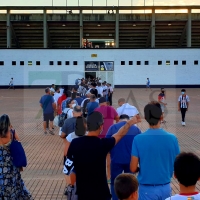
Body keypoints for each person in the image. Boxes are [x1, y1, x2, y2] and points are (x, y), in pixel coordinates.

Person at [63, 111, 139, 200]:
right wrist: (130, 123)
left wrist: (71, 185)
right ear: (101, 127)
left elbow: (69, 169)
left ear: (86, 125)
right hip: (101, 194)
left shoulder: (75, 143)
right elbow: (119, 135)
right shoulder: (103, 144)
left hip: (82, 194)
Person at [130, 101, 180, 200]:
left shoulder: (138, 139)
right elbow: (178, 164)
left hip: (146, 189)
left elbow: (132, 168)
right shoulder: (172, 138)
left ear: (145, 117)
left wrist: (141, 169)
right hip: (166, 187)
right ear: (161, 117)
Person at [106, 114, 141, 200]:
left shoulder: (113, 128)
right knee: (130, 183)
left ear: (119, 120)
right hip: (130, 161)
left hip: (116, 160)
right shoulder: (136, 129)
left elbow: (107, 144)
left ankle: (115, 198)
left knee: (115, 183)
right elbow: (140, 145)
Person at [0, 114, 33, 199]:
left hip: (1, 165)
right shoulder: (12, 132)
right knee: (15, 184)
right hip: (12, 165)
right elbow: (18, 144)